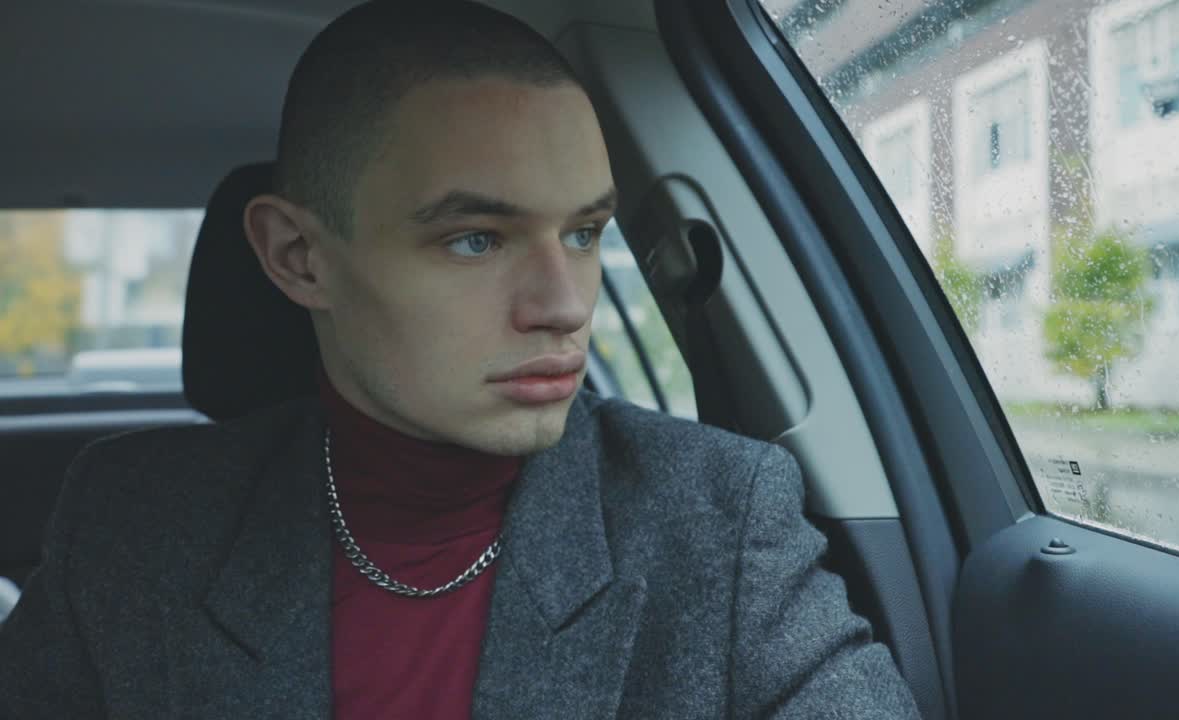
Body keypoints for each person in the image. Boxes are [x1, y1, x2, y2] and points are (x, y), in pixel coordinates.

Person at [0, 2, 921, 718]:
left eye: (586, 232)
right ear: (299, 258)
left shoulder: (718, 515)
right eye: (476, 240)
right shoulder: (133, 525)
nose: (564, 306)